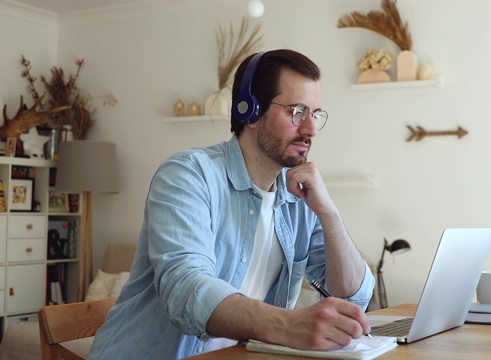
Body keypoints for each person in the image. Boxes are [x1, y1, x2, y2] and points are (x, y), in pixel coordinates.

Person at [89, 49, 375, 359]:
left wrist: (329, 213)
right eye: (297, 111)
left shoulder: (300, 198)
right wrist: (289, 326)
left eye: (315, 114)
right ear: (249, 111)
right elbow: (185, 289)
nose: (311, 129)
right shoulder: (188, 174)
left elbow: (354, 297)